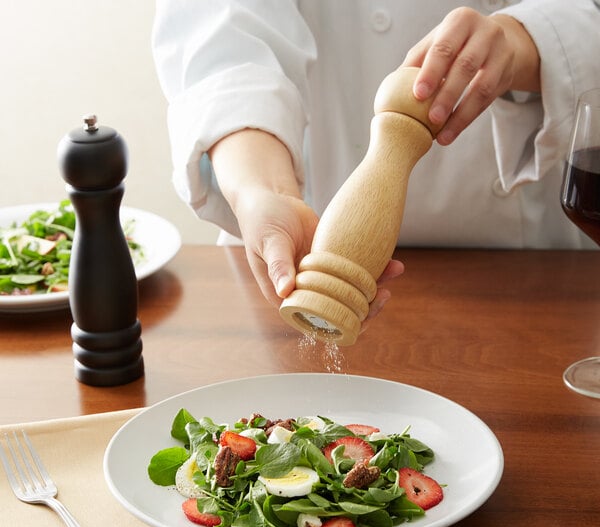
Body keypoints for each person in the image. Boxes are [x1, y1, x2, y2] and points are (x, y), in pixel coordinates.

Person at [152, 0, 600, 319]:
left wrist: (526, 39)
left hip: (534, 275)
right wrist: (263, 192)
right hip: (316, 231)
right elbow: (222, 38)